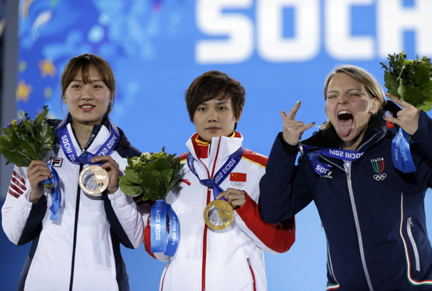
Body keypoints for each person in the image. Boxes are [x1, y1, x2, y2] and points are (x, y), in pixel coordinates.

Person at [258, 65, 432, 290]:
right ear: (327, 107)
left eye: (354, 94)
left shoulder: (400, 148)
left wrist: (423, 129)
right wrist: (286, 148)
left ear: (374, 104)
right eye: (333, 95)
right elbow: (273, 211)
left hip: (412, 286)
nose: (342, 100)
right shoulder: (317, 161)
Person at [1, 53, 144, 291]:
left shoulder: (129, 159)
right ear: (64, 95)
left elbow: (135, 238)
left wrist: (116, 191)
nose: (86, 95)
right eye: (76, 86)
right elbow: (15, 234)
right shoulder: (36, 149)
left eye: (97, 86)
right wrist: (32, 196)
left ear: (110, 96)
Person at [144, 70, 295, 291]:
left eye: (221, 108)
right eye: (202, 108)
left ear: (238, 112)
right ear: (192, 115)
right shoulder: (171, 170)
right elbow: (158, 252)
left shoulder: (264, 169)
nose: (212, 116)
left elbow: (281, 243)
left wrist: (247, 209)